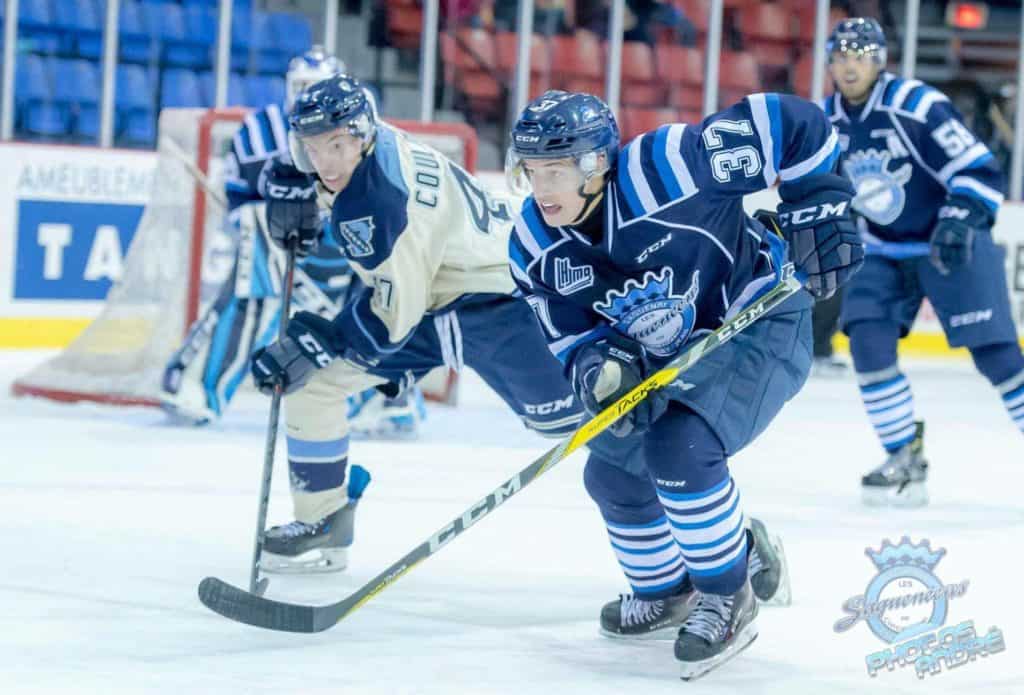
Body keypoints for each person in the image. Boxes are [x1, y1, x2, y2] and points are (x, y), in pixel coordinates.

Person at [246, 75, 791, 597]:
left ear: (361, 135)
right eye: (311, 149)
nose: (323, 160)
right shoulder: (377, 147)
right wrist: (307, 188)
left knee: (605, 429)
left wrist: (325, 337)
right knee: (314, 384)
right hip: (449, 296)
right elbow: (360, 212)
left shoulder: (377, 205)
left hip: (502, 306)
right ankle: (323, 524)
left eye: (334, 145)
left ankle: (730, 544)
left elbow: (394, 318)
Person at [505, 90, 862, 678]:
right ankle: (672, 590)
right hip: (666, 358)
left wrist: (819, 203)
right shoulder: (532, 247)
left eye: (557, 172)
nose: (542, 190)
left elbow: (789, 122)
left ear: (596, 163)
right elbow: (570, 339)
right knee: (612, 470)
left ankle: (729, 590)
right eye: (533, 172)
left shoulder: (669, 165)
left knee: (679, 447)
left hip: (759, 320)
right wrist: (602, 372)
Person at [159, 47, 425, 437]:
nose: (310, 96)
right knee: (245, 299)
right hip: (280, 242)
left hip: (352, 242)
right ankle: (198, 386)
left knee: (377, 312)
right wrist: (255, 220)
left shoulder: (366, 131)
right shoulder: (259, 131)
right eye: (301, 86)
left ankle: (386, 399)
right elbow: (239, 198)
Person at [823, 18, 1024, 507]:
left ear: (879, 61)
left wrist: (959, 218)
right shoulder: (824, 118)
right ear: (830, 63)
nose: (850, 67)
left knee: (997, 357)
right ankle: (903, 455)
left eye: (861, 56)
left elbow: (977, 167)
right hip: (883, 248)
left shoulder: (917, 106)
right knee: (868, 344)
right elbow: (822, 185)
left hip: (947, 240)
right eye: (841, 57)